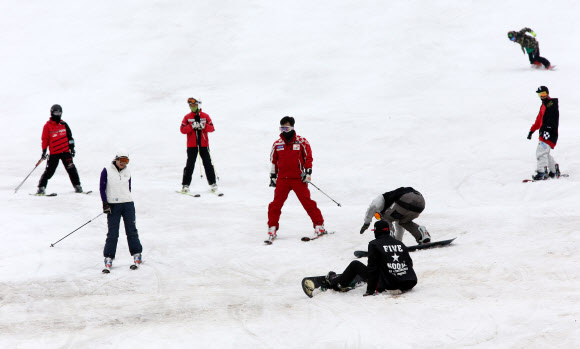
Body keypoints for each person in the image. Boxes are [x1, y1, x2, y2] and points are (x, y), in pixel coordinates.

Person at [267, 116, 325, 242]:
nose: (284, 130)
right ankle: (272, 228)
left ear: (292, 127)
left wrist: (308, 173)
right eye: (282, 128)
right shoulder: (277, 144)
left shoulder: (301, 141)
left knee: (307, 202)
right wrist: (273, 176)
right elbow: (274, 161)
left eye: (286, 127)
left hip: (298, 179)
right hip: (283, 179)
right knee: (275, 204)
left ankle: (319, 226)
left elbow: (308, 158)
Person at [325, 221, 417, 296]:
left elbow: (372, 269)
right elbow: (409, 264)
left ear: (376, 232)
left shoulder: (374, 244)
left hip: (388, 284)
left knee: (355, 264)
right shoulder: (400, 243)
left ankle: (337, 282)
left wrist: (370, 290)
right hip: (407, 283)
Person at [100, 152, 143, 273]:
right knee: (113, 232)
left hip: (128, 204)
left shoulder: (127, 171)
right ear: (116, 159)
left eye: (126, 161)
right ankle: (108, 256)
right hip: (113, 205)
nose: (123, 163)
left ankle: (137, 253)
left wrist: (126, 198)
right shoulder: (107, 170)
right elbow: (102, 188)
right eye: (121, 160)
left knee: (131, 229)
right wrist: (105, 203)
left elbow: (128, 187)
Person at [37, 104, 83, 194]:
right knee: (49, 171)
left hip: (65, 152)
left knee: (71, 169)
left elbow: (70, 138)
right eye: (56, 112)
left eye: (59, 112)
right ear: (52, 113)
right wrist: (44, 151)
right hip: (54, 153)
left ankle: (77, 186)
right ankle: (41, 187)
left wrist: (72, 148)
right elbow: (45, 139)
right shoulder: (47, 126)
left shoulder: (64, 124)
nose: (57, 114)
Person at [360, 187, 431, 244]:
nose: (378, 217)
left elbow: (372, 207)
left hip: (407, 198)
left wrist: (367, 223)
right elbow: (399, 228)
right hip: (421, 203)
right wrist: (398, 244)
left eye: (377, 215)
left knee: (385, 218)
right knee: (404, 222)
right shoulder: (395, 210)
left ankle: (388, 238)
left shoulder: (382, 198)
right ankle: (422, 236)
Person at [179, 97, 219, 195]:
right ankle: (185, 185)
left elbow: (212, 128)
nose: (192, 107)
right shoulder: (187, 117)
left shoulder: (205, 116)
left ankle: (213, 184)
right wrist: (191, 126)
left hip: (203, 144)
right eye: (191, 105)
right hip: (192, 145)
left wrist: (204, 126)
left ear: (198, 105)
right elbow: (182, 130)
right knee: (190, 165)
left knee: (208, 164)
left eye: (194, 105)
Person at [527, 86, 560, 180]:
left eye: (544, 94)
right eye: (540, 94)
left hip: (548, 132)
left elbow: (553, 117)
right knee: (544, 152)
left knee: (540, 152)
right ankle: (554, 170)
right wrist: (531, 131)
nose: (542, 96)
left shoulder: (551, 103)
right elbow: (538, 120)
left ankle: (541, 172)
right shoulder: (543, 105)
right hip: (545, 132)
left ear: (547, 93)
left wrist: (548, 128)